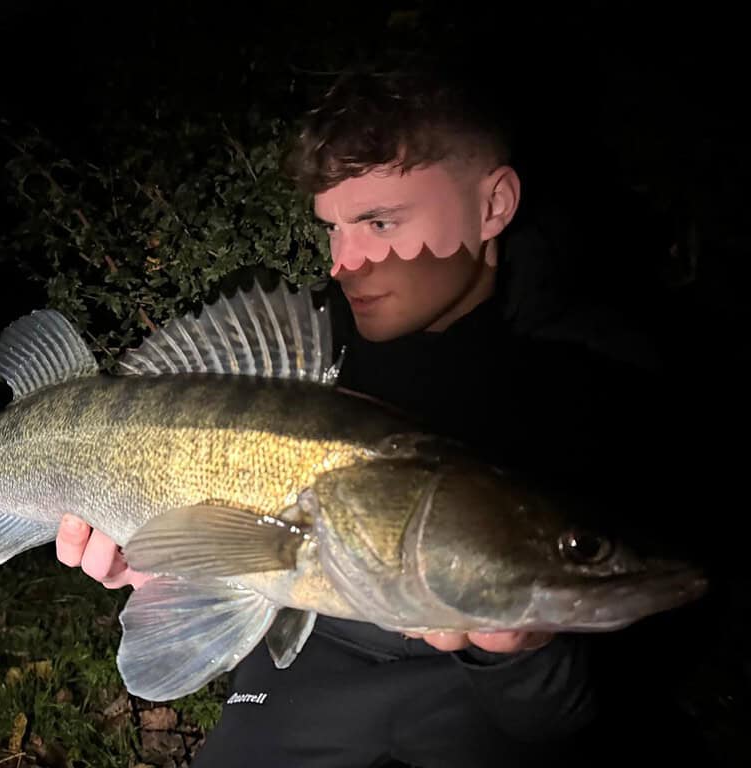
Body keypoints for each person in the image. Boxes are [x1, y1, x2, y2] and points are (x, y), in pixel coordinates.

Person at [54, 60, 704, 767]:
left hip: (470, 693)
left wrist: (522, 653)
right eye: (333, 229)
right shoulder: (314, 344)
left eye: (378, 221)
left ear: (494, 205)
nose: (344, 262)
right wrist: (175, 561)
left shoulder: (605, 377)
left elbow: (584, 714)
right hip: (305, 656)